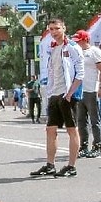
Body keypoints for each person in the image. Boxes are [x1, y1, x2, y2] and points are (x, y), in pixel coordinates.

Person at [30, 18, 83, 177]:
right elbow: (52, 71)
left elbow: (80, 73)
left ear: (64, 28)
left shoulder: (72, 47)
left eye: (57, 28)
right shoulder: (52, 47)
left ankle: (71, 166)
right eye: (51, 29)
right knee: (50, 129)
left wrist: (70, 93)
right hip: (55, 92)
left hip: (68, 93)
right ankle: (50, 165)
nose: (54, 32)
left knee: (71, 129)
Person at [73, 30, 101, 157]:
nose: (77, 42)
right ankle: (83, 146)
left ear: (85, 39)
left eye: (79, 40)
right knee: (81, 120)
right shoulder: (77, 52)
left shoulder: (95, 51)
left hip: (92, 90)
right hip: (79, 90)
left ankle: (97, 145)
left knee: (94, 119)